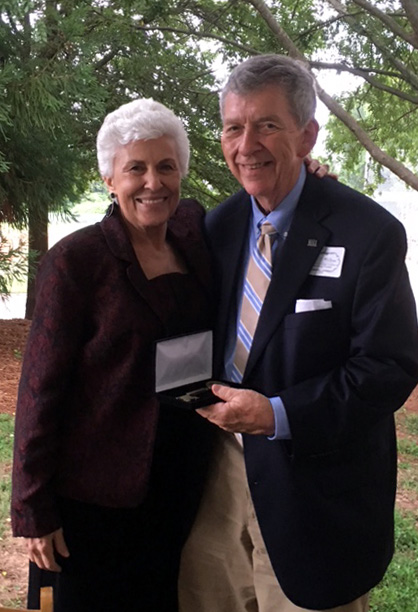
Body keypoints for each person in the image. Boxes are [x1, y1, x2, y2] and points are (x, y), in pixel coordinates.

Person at [179, 54, 418, 612]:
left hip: (312, 495)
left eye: (267, 125)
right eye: (234, 127)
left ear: (307, 135)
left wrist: (276, 414)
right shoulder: (218, 226)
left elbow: (388, 368)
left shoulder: (369, 233)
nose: (247, 144)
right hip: (216, 479)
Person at [11, 98, 215, 612]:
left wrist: (305, 170)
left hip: (182, 478)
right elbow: (39, 390)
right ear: (109, 179)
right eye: (136, 168)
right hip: (96, 493)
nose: (154, 182)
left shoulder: (194, 233)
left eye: (166, 166)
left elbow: (265, 200)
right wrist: (33, 509)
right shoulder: (75, 262)